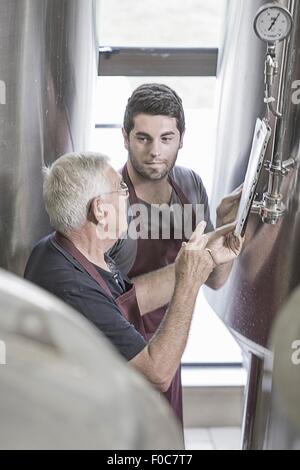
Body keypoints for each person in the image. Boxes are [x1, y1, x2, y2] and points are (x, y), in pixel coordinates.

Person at [24, 152, 243, 428]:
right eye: (121, 189)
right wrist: (189, 283)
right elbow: (157, 373)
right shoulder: (72, 288)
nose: (127, 197)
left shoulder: (67, 248)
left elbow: (131, 297)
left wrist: (207, 253)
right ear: (100, 210)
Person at [108, 83, 243, 423]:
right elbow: (112, 302)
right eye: (143, 138)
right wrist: (191, 269)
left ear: (182, 138)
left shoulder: (191, 185)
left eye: (166, 138)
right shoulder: (108, 198)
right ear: (125, 138)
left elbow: (214, 280)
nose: (155, 151)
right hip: (119, 353)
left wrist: (228, 227)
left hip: (171, 339)